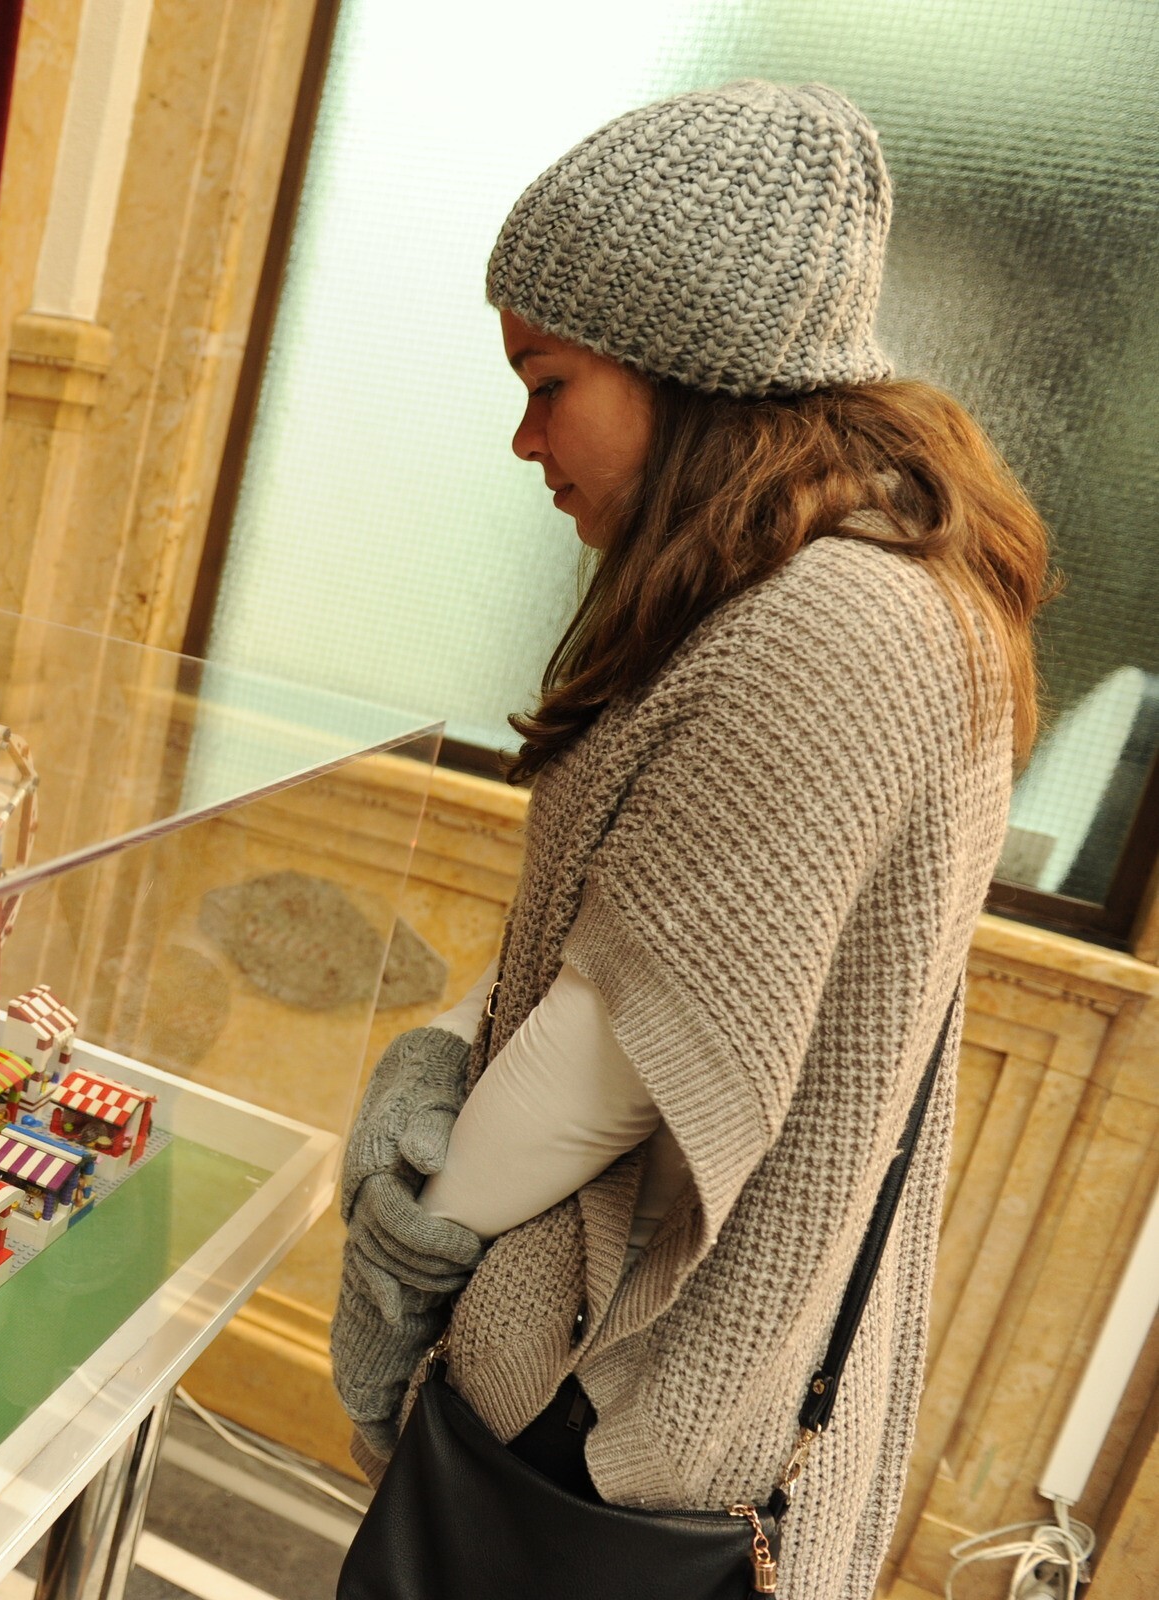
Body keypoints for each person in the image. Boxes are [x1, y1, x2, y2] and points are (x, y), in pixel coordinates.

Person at [330, 82, 1047, 1600]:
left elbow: (626, 1043)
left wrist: (401, 1264)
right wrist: (444, 1052)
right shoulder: (817, 579)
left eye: (548, 382)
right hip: (623, 1396)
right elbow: (650, 935)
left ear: (688, 365)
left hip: (625, 1411)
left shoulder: (837, 621)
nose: (524, 437)